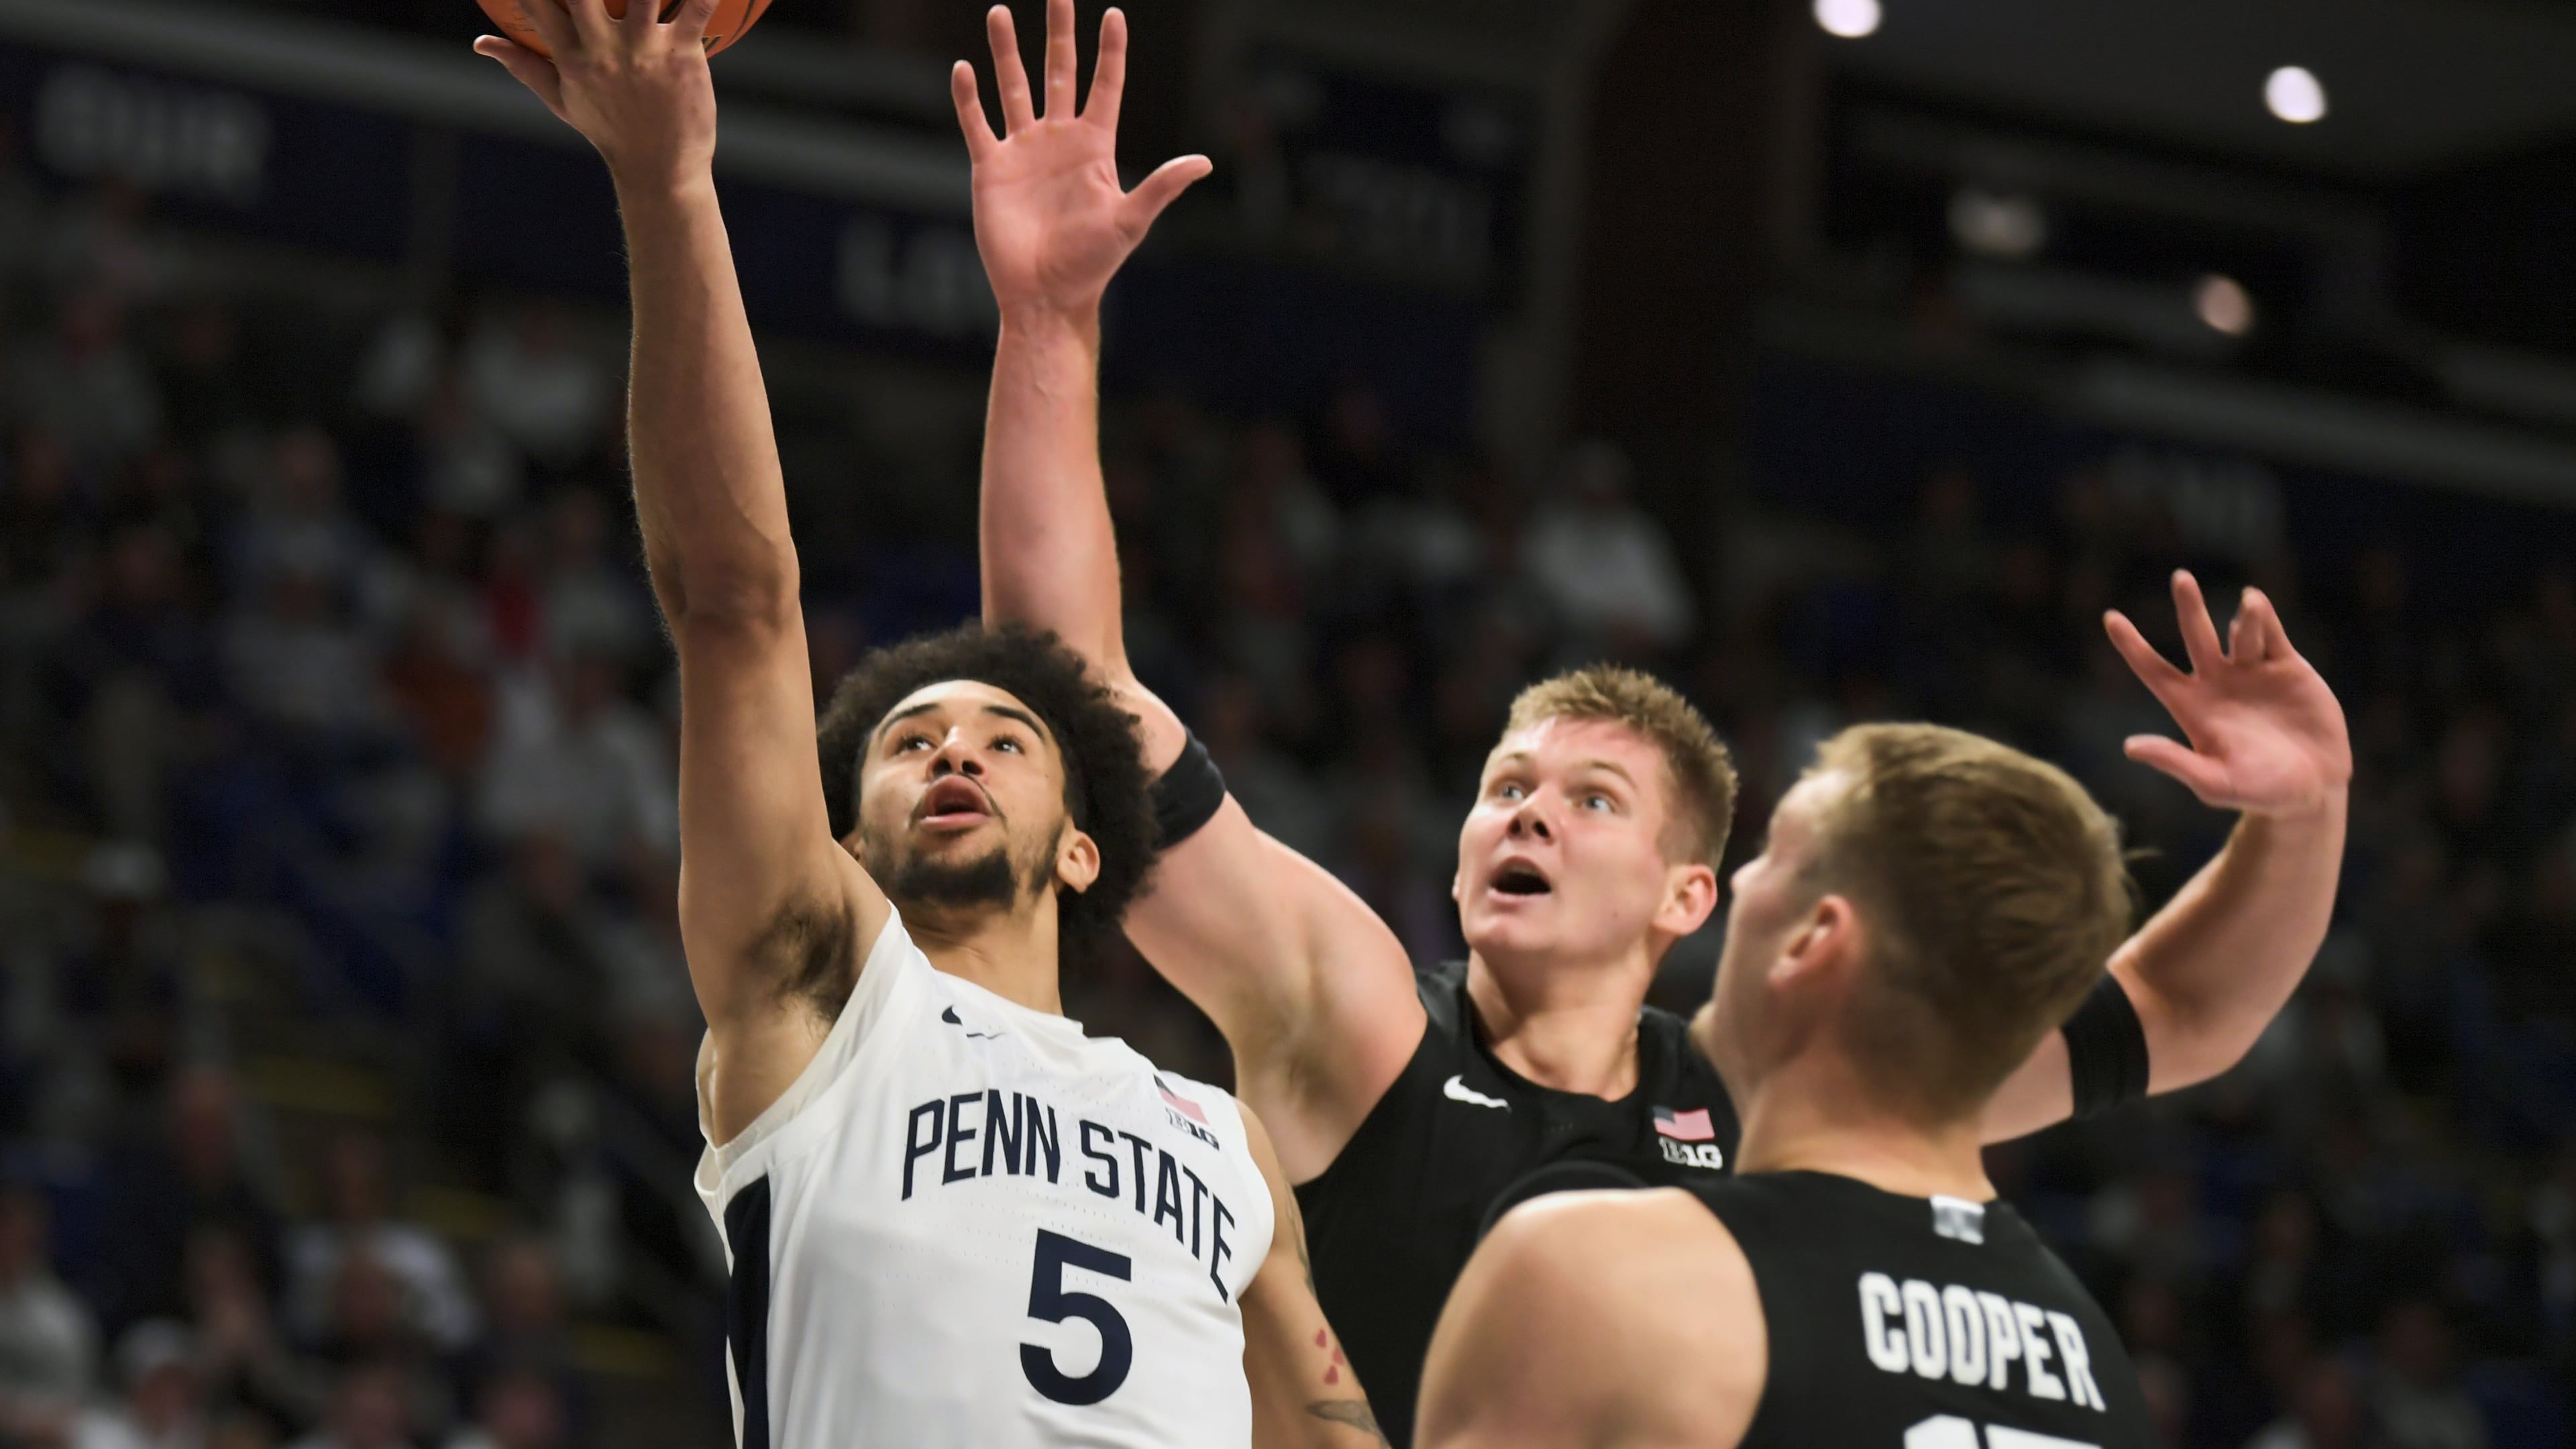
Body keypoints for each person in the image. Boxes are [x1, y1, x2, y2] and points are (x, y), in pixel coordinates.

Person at [962, 3, 2353, 1440]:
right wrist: (1048, 324)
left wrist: (2305, 814)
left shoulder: (1784, 1085)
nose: (1528, 813)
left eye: (1592, 801)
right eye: (1507, 786)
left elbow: (2176, 1013)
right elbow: (1073, 697)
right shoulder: (1365, 1022)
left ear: (1691, 895)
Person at [473, 3, 1381, 1445]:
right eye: (908, 744)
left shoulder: (1222, 1142)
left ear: (1083, 848)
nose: (953, 749)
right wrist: (667, 183)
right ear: (846, 841)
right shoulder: (827, 998)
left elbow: (1332, 1426)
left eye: (1006, 740)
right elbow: (734, 605)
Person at [1414, 723, 2161, 1448]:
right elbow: (2173, 1007)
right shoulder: (2101, 1366)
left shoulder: (1592, 1273)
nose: (1741, 878)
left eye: (1774, 855)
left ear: (1812, 939)